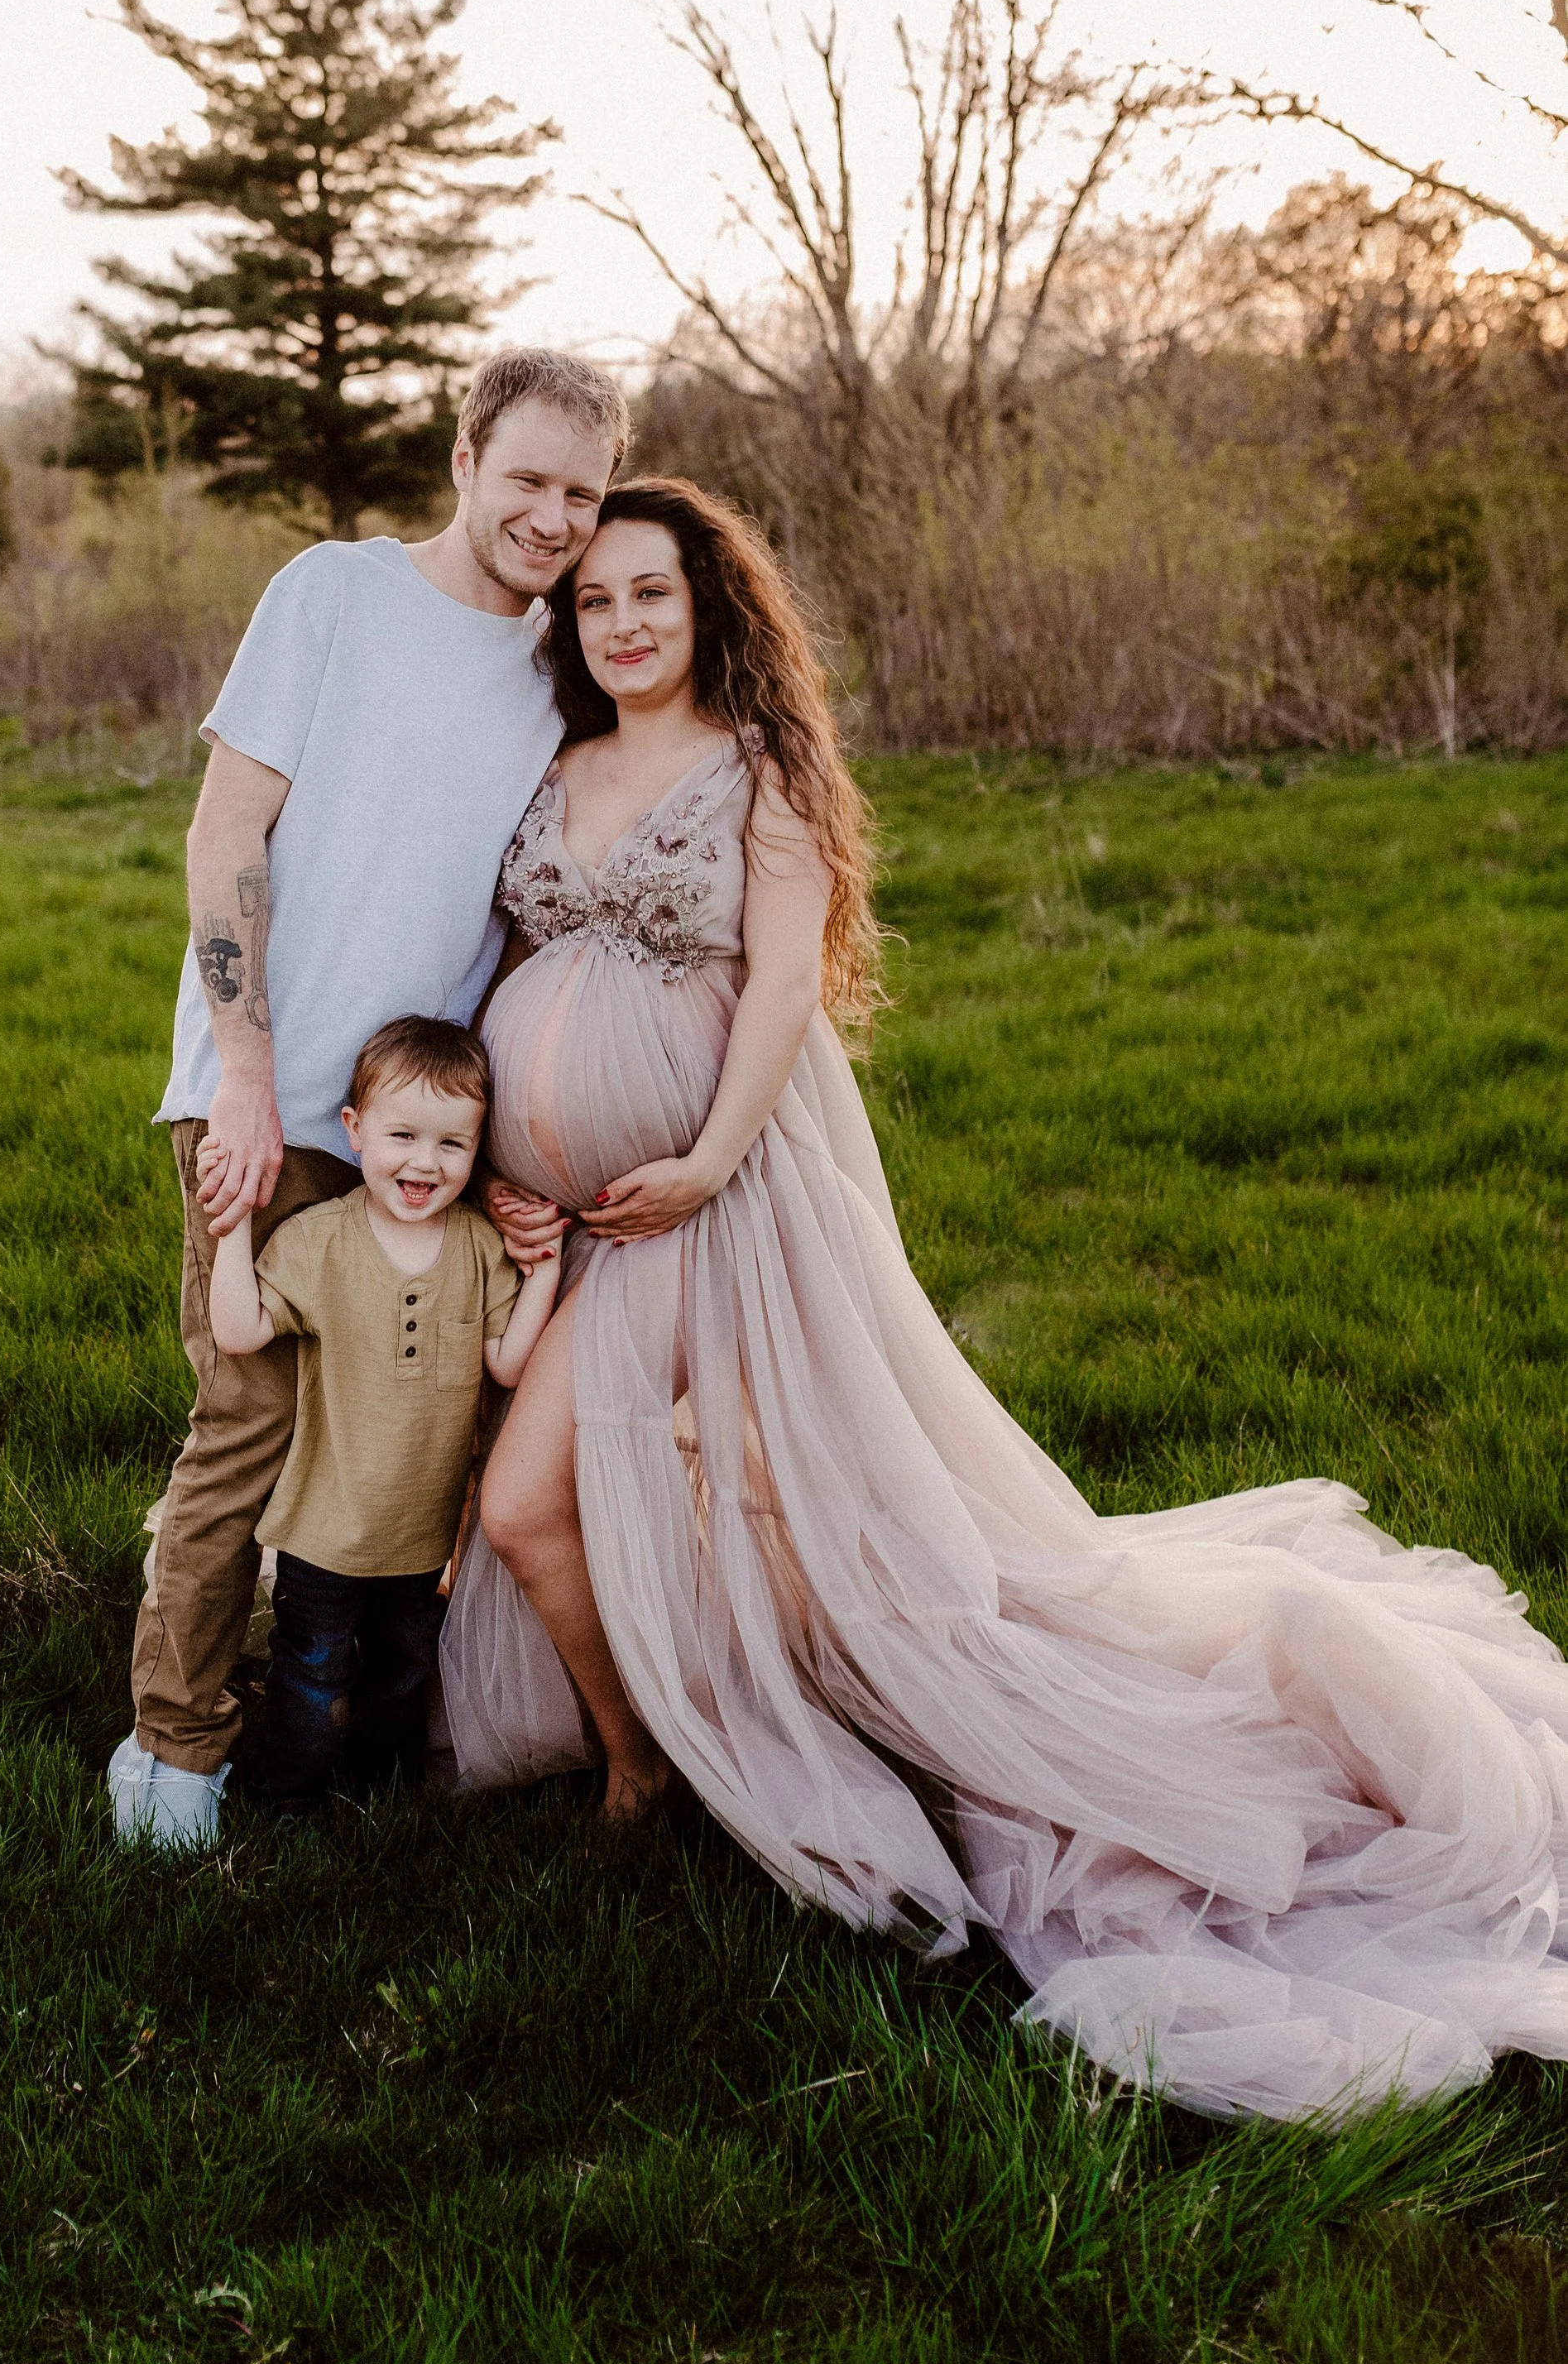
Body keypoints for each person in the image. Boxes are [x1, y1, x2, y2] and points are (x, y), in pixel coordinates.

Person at [440, 475, 1568, 2123]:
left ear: (707, 607)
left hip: (715, 1205)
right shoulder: (554, 765)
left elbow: (777, 994)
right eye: (593, 599)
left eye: (650, 593)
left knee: (538, 1500)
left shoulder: (755, 770)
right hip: (588, 1226)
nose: (619, 623)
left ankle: (645, 1766)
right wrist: (501, 1165)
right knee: (668, 1500)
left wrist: (702, 1161)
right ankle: (671, 1733)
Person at [106, 346, 625, 1852]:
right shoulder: (333, 593)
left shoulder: (563, 665)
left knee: (411, 1441)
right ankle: (177, 1742)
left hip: (430, 1129)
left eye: (582, 495)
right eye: (527, 479)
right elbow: (225, 834)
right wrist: (244, 1080)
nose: (552, 518)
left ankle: (353, 1710)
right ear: (462, 459)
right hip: (268, 1094)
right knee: (247, 1420)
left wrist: (507, 1134)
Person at [207, 1015, 560, 1803]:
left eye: (452, 1144)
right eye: (403, 1135)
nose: (425, 1162)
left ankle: (380, 1796)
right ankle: (287, 1799)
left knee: (403, 1668)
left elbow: (507, 1362)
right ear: (355, 1130)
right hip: (324, 1533)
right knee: (312, 1669)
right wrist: (233, 1225)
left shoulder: (478, 1247)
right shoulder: (321, 1241)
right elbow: (239, 1330)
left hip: (422, 1537)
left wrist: (544, 1268)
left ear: (477, 1148)